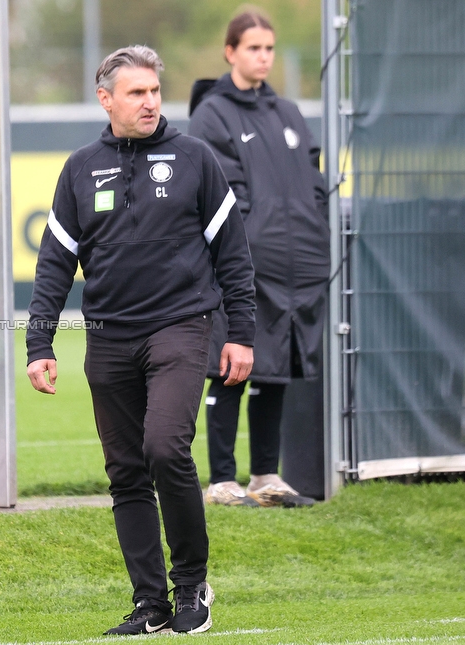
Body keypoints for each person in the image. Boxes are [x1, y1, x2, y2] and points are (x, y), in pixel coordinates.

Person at [26, 46, 255, 636]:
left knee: (164, 448)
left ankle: (191, 586)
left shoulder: (195, 159)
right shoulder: (80, 167)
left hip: (181, 325)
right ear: (107, 99)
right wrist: (39, 344)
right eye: (136, 93)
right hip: (106, 335)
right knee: (126, 472)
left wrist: (242, 335)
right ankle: (150, 603)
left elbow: (233, 256)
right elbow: (55, 264)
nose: (150, 102)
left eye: (154, 91)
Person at [188, 12, 329, 509]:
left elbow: (314, 185)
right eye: (253, 48)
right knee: (233, 366)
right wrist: (246, 248)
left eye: (269, 48)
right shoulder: (212, 114)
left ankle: (266, 475)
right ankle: (222, 479)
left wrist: (315, 230)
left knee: (276, 369)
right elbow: (220, 199)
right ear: (230, 52)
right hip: (243, 269)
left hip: (295, 271)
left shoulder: (287, 112)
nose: (263, 57)